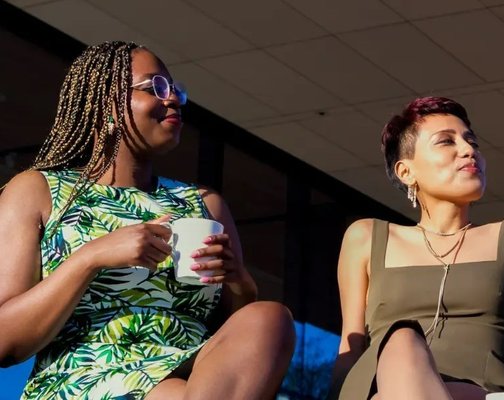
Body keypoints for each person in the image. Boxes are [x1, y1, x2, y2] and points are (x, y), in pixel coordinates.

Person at [0, 41, 295, 399]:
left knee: (270, 318)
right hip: (86, 378)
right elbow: (5, 341)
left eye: (175, 90)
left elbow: (238, 349)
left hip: (193, 375)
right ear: (106, 104)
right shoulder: (39, 191)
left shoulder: (205, 204)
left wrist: (239, 283)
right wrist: (91, 258)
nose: (173, 99)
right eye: (155, 87)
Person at [330, 97, 504, 400]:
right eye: (445, 142)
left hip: (482, 393)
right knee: (402, 341)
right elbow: (350, 347)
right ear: (406, 172)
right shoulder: (366, 237)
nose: (469, 151)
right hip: (385, 390)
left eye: (472, 142)